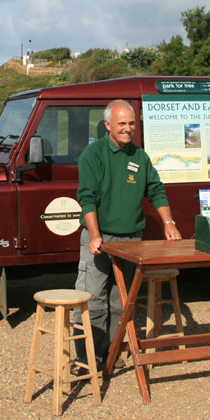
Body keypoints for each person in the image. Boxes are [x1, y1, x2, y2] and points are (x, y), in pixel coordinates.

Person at [74, 99, 182, 368]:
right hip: (100, 239)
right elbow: (87, 197)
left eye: (132, 123)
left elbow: (156, 190)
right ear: (108, 125)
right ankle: (88, 358)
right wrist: (95, 235)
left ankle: (112, 354)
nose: (128, 128)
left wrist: (168, 222)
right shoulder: (93, 154)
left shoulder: (139, 156)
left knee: (121, 301)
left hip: (132, 240)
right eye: (122, 123)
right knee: (92, 299)